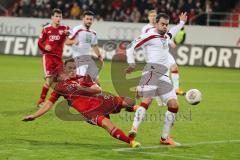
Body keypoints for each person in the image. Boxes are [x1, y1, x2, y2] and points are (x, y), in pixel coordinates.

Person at [23, 59, 141, 148]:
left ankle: (132, 107)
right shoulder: (60, 87)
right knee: (107, 125)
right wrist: (34, 115)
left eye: (74, 68)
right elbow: (48, 104)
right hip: (91, 111)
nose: (73, 70)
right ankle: (130, 141)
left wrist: (82, 88)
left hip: (103, 101)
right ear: (65, 69)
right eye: (70, 68)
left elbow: (98, 89)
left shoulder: (84, 78)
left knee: (130, 101)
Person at [126, 12, 188, 145]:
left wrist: (182, 23)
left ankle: (164, 138)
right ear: (156, 23)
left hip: (164, 76)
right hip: (151, 73)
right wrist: (131, 63)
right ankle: (133, 130)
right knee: (146, 101)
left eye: (166, 24)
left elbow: (173, 31)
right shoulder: (149, 35)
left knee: (174, 105)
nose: (165, 27)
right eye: (162, 24)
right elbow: (130, 47)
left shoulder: (166, 36)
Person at [141, 10, 185, 96]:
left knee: (174, 67)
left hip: (164, 52)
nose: (153, 17)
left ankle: (176, 89)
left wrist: (170, 41)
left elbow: (166, 36)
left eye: (154, 15)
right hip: (154, 54)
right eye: (151, 16)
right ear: (148, 17)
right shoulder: (146, 29)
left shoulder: (162, 26)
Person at [37, 8, 70, 107]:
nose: (58, 18)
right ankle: (41, 101)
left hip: (58, 58)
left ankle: (68, 100)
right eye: (56, 16)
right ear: (52, 17)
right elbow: (39, 42)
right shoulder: (46, 29)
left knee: (64, 79)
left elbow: (69, 32)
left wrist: (67, 34)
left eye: (60, 16)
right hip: (48, 57)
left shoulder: (64, 28)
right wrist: (45, 48)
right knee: (49, 80)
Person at [65, 10, 103, 84]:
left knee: (97, 82)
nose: (89, 21)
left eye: (91, 19)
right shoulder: (78, 29)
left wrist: (100, 56)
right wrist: (73, 42)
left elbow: (94, 46)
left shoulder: (93, 33)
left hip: (88, 60)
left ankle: (98, 96)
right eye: (87, 19)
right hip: (79, 61)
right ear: (83, 19)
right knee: (81, 83)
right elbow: (66, 42)